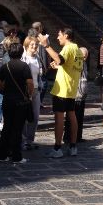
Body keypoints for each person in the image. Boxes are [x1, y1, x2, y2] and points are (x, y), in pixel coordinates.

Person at [38, 27, 83, 158]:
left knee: (59, 118)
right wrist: (59, 67)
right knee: (72, 115)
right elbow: (69, 66)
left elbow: (59, 60)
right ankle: (73, 146)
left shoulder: (68, 48)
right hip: (72, 88)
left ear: (66, 35)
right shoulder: (77, 49)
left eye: (59, 35)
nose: (58, 38)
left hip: (62, 89)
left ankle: (57, 148)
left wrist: (47, 46)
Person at [0, 43, 33, 163]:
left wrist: (3, 89)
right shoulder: (24, 66)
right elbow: (29, 83)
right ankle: (16, 156)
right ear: (21, 52)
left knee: (7, 127)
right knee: (17, 128)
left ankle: (2, 154)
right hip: (20, 101)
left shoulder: (5, 66)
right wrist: (29, 94)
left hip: (7, 100)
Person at [21, 36, 43, 151]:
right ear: (26, 46)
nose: (34, 47)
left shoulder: (37, 58)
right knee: (24, 117)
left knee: (35, 116)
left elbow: (39, 74)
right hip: (25, 91)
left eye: (36, 45)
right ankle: (23, 140)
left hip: (36, 89)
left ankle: (30, 140)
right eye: (32, 45)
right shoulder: (23, 58)